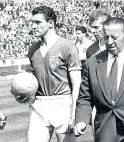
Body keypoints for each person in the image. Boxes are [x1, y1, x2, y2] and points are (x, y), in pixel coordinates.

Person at [27, 6, 81, 142]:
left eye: (38, 22)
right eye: (32, 22)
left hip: (63, 103)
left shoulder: (67, 46)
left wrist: (74, 113)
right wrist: (26, 94)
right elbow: (34, 82)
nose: (33, 26)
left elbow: (76, 83)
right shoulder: (32, 50)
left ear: (51, 23)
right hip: (39, 104)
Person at [85, 8, 111, 135]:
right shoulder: (91, 50)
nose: (92, 31)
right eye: (91, 27)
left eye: (96, 27)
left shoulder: (120, 45)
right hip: (99, 104)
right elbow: (89, 81)